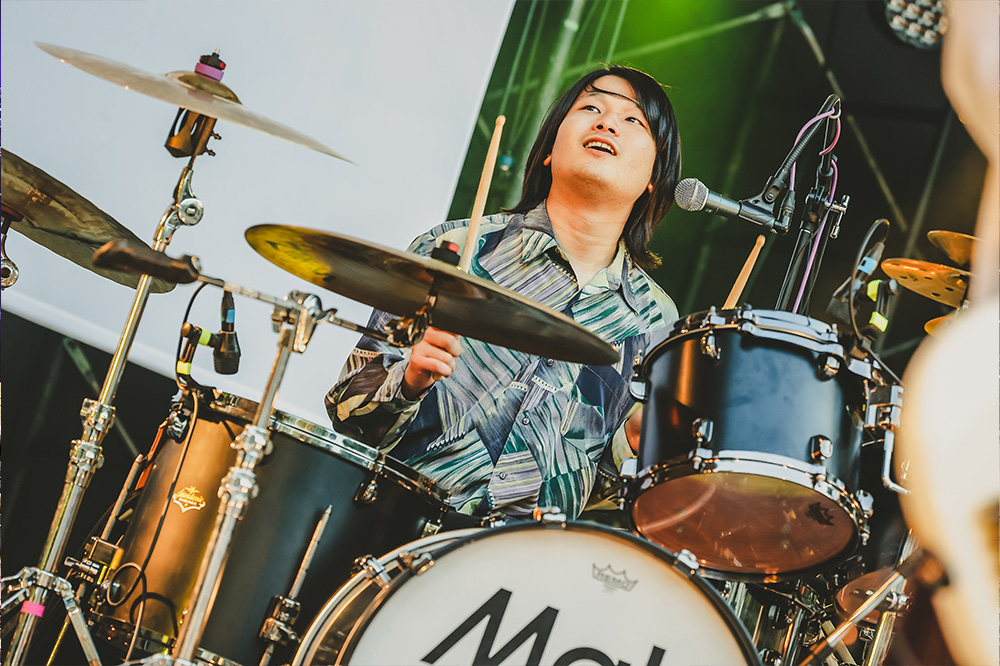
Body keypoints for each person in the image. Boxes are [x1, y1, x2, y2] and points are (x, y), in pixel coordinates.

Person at [327, 64, 681, 522]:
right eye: (591, 108)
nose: (607, 122)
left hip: (518, 556)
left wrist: (630, 447)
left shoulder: (655, 322)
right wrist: (409, 379)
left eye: (633, 120)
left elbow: (599, 493)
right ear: (549, 150)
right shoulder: (458, 250)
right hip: (388, 525)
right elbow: (347, 412)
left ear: (654, 175)